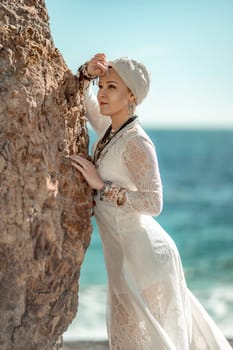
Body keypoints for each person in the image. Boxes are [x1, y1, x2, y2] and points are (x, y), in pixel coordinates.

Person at [69, 53, 231, 350]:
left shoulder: (137, 142)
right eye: (102, 86)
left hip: (145, 257)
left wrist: (101, 186)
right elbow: (85, 101)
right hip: (121, 257)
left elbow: (154, 203)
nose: (102, 94)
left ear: (132, 95)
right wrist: (87, 73)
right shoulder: (109, 130)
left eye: (112, 87)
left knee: (155, 342)